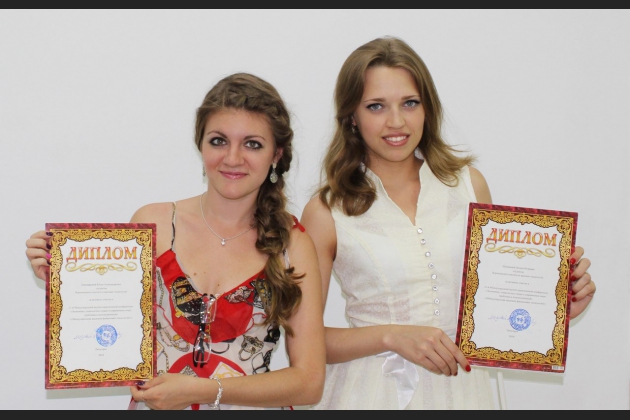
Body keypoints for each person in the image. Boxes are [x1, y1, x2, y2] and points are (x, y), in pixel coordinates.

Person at [300, 36, 596, 410]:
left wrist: (551, 312)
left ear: (428, 108)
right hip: (370, 395)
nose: (396, 121)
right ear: (351, 117)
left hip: (466, 392)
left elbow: (494, 309)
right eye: (376, 106)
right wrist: (391, 336)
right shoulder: (327, 211)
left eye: (410, 103)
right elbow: (304, 343)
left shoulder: (469, 186)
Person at [25, 72, 326, 410]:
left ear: (276, 154)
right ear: (200, 145)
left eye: (252, 144)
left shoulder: (292, 245)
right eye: (218, 141)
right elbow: (113, 337)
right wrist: (69, 282)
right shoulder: (152, 223)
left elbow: (309, 383)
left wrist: (206, 391)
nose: (232, 158)